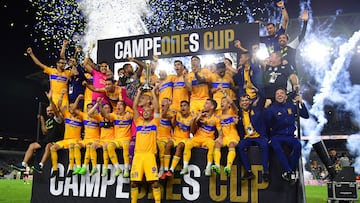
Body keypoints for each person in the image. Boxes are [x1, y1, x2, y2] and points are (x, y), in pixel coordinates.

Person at [11, 91, 64, 173]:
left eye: (50, 110)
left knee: (48, 146)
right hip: (46, 140)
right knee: (32, 145)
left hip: (55, 141)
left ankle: (40, 165)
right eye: (47, 111)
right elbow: (44, 132)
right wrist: (42, 120)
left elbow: (56, 111)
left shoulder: (57, 119)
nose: (49, 112)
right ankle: (23, 164)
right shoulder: (48, 120)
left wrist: (50, 99)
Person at [266, 88, 309, 184]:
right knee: (276, 146)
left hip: (289, 136)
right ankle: (289, 171)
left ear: (286, 96)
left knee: (298, 145)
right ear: (275, 96)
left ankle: (289, 171)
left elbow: (306, 115)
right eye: (277, 94)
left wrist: (301, 103)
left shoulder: (292, 106)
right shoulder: (271, 108)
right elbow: (266, 123)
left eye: (281, 93)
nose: (279, 95)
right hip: (277, 136)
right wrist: (266, 109)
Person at [130, 87, 161, 203]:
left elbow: (157, 107)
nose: (146, 112)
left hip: (149, 155)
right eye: (145, 111)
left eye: (149, 111)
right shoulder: (138, 122)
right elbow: (134, 107)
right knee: (133, 182)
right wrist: (138, 93)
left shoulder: (155, 122)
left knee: (155, 182)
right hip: (138, 155)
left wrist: (153, 92)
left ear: (151, 113)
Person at [180, 98, 221, 177]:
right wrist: (197, 118)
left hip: (208, 139)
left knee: (212, 145)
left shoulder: (216, 118)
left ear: (212, 107)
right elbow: (192, 129)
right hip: (197, 137)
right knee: (188, 144)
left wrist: (219, 138)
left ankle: (208, 168)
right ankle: (185, 167)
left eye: (206, 103)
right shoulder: (200, 115)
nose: (204, 105)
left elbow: (220, 132)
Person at [50, 93, 84, 178]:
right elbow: (58, 106)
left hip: (76, 140)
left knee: (72, 146)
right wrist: (61, 95)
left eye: (73, 107)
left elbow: (74, 109)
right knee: (52, 148)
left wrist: (78, 99)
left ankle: (71, 168)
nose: (71, 108)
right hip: (66, 140)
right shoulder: (67, 115)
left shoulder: (81, 117)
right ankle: (55, 170)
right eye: (70, 107)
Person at [237, 93, 269, 182]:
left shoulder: (257, 108)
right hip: (247, 138)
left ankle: (266, 172)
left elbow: (263, 96)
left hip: (259, 136)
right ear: (239, 103)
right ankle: (248, 171)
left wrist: (257, 92)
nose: (244, 103)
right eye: (242, 101)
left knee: (265, 146)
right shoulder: (238, 114)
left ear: (250, 101)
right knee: (240, 146)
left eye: (246, 100)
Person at [160, 100, 194, 179]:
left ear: (189, 107)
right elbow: (171, 123)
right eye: (181, 106)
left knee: (180, 146)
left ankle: (171, 170)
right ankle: (165, 170)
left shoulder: (192, 117)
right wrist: (174, 117)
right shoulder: (177, 114)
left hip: (185, 138)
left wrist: (193, 121)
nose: (182, 107)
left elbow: (192, 131)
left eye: (184, 105)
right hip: (175, 137)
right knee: (168, 145)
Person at [211, 92, 240, 177]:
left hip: (233, 136)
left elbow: (233, 104)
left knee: (231, 145)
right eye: (221, 102)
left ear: (228, 105)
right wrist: (219, 137)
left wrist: (225, 93)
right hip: (224, 137)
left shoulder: (233, 112)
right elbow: (219, 128)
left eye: (224, 102)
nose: (221, 103)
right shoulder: (218, 116)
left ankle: (228, 167)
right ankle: (217, 165)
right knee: (217, 144)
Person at [105, 100, 133, 178]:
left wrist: (127, 110)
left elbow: (134, 109)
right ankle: (117, 168)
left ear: (124, 107)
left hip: (126, 139)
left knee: (126, 145)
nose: (118, 106)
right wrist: (99, 105)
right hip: (116, 140)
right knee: (109, 146)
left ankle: (126, 169)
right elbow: (105, 115)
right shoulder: (114, 116)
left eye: (120, 105)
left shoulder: (129, 115)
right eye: (117, 105)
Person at [72, 102, 101, 175]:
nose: (91, 108)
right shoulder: (84, 115)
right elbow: (74, 109)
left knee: (89, 147)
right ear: (86, 109)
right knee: (76, 146)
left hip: (95, 139)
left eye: (92, 107)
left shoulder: (98, 117)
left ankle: (84, 167)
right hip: (85, 139)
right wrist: (78, 99)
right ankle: (78, 167)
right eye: (89, 107)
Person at [157, 97, 175, 178]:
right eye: (162, 101)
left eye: (165, 101)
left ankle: (162, 168)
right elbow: (162, 115)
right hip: (156, 136)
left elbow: (173, 125)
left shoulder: (171, 113)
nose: (163, 102)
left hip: (165, 137)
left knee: (162, 147)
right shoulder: (157, 112)